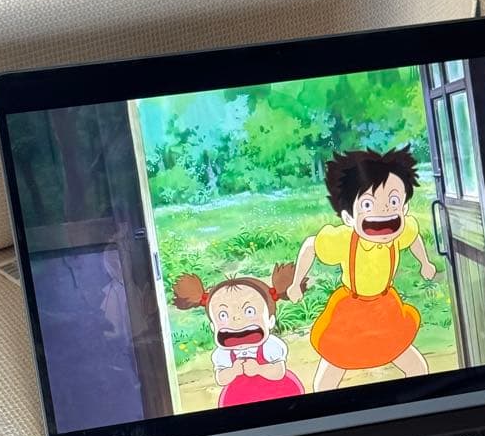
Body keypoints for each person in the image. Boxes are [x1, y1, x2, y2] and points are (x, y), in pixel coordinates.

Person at [287, 146, 436, 391]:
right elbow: (311, 245)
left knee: (415, 366)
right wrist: (295, 283)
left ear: (405, 208)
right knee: (333, 365)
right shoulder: (344, 240)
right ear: (348, 217)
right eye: (367, 204)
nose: (384, 211)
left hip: (385, 307)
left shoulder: (402, 230)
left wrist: (425, 262)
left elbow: (414, 236)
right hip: (351, 310)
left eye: (394, 201)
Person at [173, 264, 305, 408]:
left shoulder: (270, 346)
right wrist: (233, 371)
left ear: (270, 321)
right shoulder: (222, 354)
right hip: (239, 398)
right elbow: (221, 379)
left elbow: (279, 371)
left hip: (278, 393)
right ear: (213, 327)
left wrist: (259, 369)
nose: (237, 320)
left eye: (249, 311)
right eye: (223, 315)